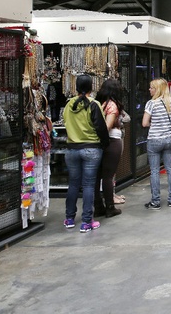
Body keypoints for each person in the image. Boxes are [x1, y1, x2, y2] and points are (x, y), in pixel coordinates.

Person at [63, 74, 109, 233]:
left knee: (74, 184)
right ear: (91, 87)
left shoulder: (69, 105)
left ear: (76, 87)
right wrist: (104, 145)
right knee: (89, 185)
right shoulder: (94, 104)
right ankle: (86, 222)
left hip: (71, 149)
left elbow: (65, 122)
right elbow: (101, 129)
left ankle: (69, 218)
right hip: (91, 149)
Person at [142, 78, 171, 210]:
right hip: (169, 139)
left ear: (157, 89)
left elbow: (144, 123)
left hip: (154, 140)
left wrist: (153, 124)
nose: (149, 90)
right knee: (170, 169)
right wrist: (169, 124)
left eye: (151, 88)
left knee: (155, 171)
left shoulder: (151, 103)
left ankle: (156, 201)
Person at [93, 78, 126, 218]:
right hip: (111, 141)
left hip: (97, 142)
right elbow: (107, 126)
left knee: (96, 177)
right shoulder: (112, 105)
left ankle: (98, 206)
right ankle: (110, 207)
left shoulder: (98, 104)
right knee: (107, 176)